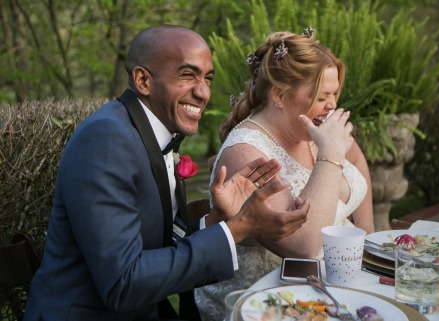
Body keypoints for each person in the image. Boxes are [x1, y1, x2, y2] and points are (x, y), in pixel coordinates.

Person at [23, 25, 310, 321]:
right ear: (143, 80)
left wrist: (220, 219)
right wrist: (241, 228)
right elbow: (123, 283)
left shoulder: (150, 133)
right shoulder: (107, 139)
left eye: (207, 78)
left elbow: (159, 246)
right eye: (188, 75)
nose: (203, 92)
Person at [195, 29, 374, 320]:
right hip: (267, 305)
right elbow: (303, 246)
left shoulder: (321, 129)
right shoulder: (245, 152)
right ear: (279, 94)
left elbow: (359, 168)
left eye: (335, 94)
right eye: (320, 96)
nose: (332, 106)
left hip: (337, 291)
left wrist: (369, 245)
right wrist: (329, 156)